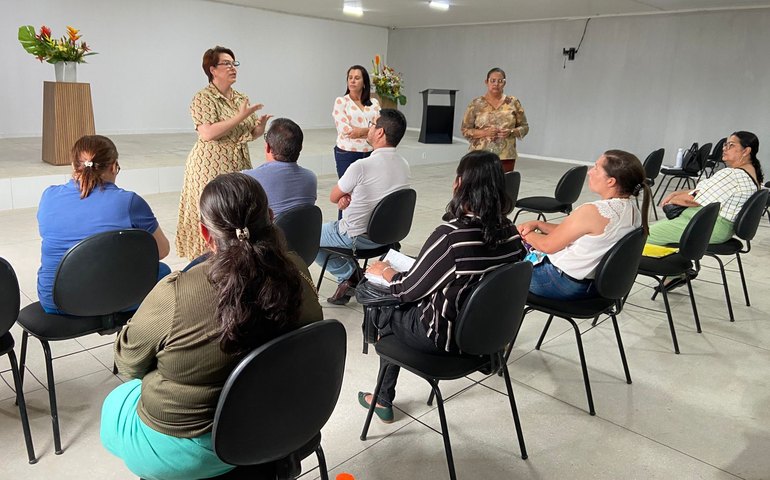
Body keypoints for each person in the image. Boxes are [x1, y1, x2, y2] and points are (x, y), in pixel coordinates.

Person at [101, 173, 323, 480]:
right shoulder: (297, 269)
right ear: (271, 218)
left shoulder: (177, 292)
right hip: (277, 420)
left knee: (117, 403)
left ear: (206, 235)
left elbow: (128, 363)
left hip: (192, 452)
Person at [357, 150, 525, 423]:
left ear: (459, 183)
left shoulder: (452, 237)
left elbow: (407, 290)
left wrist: (386, 271)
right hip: (487, 338)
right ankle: (383, 396)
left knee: (386, 308)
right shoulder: (511, 233)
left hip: (444, 339)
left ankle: (383, 399)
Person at [36, 135, 170, 314]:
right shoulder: (129, 202)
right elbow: (161, 251)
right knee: (163, 273)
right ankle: (142, 338)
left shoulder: (49, 196)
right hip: (114, 298)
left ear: (74, 166)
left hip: (54, 301)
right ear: (114, 167)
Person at [176, 46, 272, 260]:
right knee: (212, 210)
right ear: (212, 69)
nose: (232, 68)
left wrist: (259, 129)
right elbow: (208, 132)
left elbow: (244, 132)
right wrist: (239, 117)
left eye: (234, 63)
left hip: (237, 160)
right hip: (209, 163)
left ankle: (235, 258)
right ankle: (205, 261)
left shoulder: (240, 97)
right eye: (226, 63)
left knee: (235, 210)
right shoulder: (203, 98)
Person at [518, 150, 650, 300]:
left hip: (559, 283)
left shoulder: (593, 211)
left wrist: (525, 233)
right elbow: (578, 232)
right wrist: (539, 225)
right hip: (593, 287)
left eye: (596, 168)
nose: (589, 172)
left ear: (611, 181)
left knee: (500, 265)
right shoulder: (633, 211)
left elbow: (547, 245)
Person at [316, 109, 410, 305]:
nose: (369, 128)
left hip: (357, 238)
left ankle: (350, 275)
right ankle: (354, 277)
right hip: (387, 238)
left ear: (380, 132)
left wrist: (345, 196)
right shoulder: (404, 164)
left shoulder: (361, 166)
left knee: (307, 236)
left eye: (372, 124)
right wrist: (350, 196)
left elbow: (334, 196)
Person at [650, 131, 763, 246]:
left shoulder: (731, 174)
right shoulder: (751, 174)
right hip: (714, 226)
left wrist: (673, 200)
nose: (724, 148)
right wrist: (677, 194)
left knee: (641, 238)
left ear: (746, 151)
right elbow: (704, 192)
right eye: (725, 144)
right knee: (646, 231)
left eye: (731, 145)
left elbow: (695, 200)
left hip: (707, 226)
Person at [242, 117, 317, 216]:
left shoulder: (248, 179)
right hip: (305, 231)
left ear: (268, 147)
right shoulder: (310, 177)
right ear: (300, 148)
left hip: (269, 231)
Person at [461, 67, 529, 173]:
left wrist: (511, 132)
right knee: (480, 186)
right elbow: (465, 130)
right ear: (486, 82)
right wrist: (484, 132)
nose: (496, 84)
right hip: (480, 156)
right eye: (492, 80)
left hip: (506, 156)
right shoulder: (476, 104)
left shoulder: (513, 102)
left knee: (504, 186)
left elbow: (525, 127)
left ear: (504, 83)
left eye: (500, 81)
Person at [332, 65, 381, 179]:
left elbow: (380, 128)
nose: (352, 81)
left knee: (368, 189)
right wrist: (370, 131)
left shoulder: (374, 103)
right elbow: (346, 131)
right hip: (347, 152)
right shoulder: (341, 101)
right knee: (347, 191)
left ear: (364, 82)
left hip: (370, 152)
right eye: (350, 78)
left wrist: (360, 131)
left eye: (357, 78)